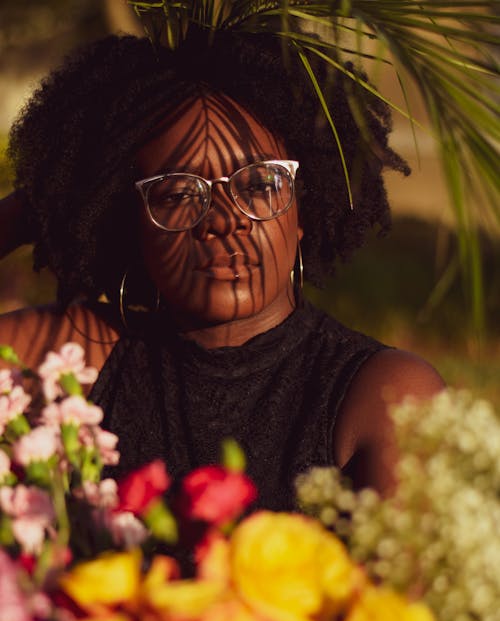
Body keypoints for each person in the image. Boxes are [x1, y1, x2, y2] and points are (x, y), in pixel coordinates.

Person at [0, 31, 444, 506]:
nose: (223, 219)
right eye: (177, 193)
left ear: (304, 213)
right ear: (131, 224)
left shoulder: (384, 395)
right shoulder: (76, 361)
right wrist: (39, 209)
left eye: (259, 185)